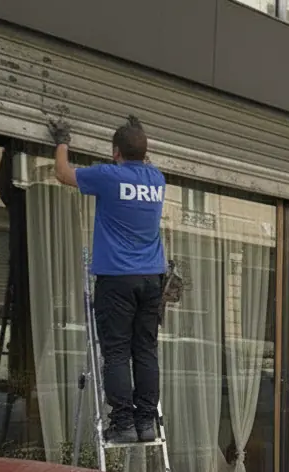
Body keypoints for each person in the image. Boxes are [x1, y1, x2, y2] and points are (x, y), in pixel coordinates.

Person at [49, 115, 167, 445]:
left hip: (117, 278)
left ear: (115, 151)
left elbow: (63, 173)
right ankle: (146, 423)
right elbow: (144, 157)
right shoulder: (157, 179)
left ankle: (123, 423)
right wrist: (137, 134)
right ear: (145, 152)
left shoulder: (108, 176)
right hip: (151, 278)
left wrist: (61, 141)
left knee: (116, 352)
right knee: (145, 350)